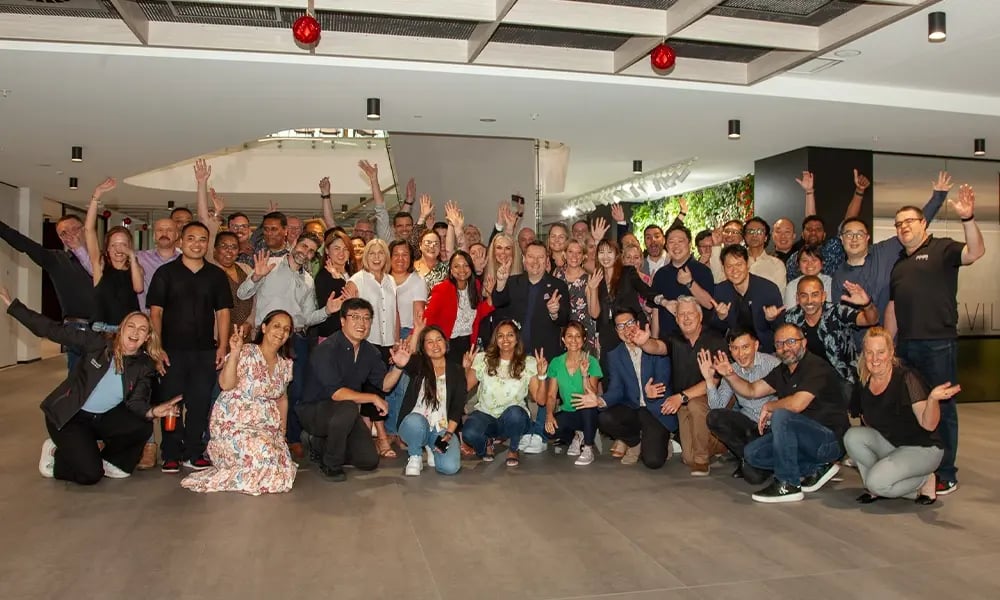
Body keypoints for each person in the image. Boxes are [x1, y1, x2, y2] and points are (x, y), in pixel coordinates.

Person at [2, 287, 179, 485]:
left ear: (147, 338)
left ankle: (109, 461)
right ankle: (56, 456)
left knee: (141, 425)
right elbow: (53, 330)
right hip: (69, 417)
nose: (135, 332)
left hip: (100, 419)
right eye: (131, 326)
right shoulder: (97, 344)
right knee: (90, 475)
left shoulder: (144, 366)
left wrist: (154, 411)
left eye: (142, 329)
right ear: (121, 329)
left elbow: (136, 403)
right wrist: (14, 306)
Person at [886, 185, 985, 496]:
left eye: (909, 222)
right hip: (906, 347)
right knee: (913, 407)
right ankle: (920, 464)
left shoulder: (943, 249)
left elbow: (976, 252)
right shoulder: (899, 264)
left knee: (944, 409)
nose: (903, 228)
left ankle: (946, 472)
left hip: (938, 343)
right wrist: (888, 344)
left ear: (923, 224)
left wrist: (968, 218)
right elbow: (893, 307)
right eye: (899, 224)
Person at [237, 232, 348, 457]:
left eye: (310, 251)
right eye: (303, 246)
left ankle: (291, 437)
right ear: (294, 243)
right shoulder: (269, 265)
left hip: (295, 339)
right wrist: (256, 277)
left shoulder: (307, 280)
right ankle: (258, 436)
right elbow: (242, 293)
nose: (304, 252)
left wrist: (328, 311)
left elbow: (307, 317)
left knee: (295, 391)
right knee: (260, 389)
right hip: (266, 337)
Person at [715, 323, 849, 503]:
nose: (786, 348)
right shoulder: (783, 370)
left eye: (791, 341)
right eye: (779, 344)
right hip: (802, 440)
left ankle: (788, 484)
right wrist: (730, 374)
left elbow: (796, 404)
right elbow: (752, 390)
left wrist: (770, 406)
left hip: (828, 440)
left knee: (781, 414)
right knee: (753, 453)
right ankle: (816, 468)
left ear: (804, 342)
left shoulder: (815, 367)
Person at [147, 221, 233, 473]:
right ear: (181, 242)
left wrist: (222, 347)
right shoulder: (165, 273)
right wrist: (157, 347)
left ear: (208, 244)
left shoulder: (216, 275)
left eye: (202, 239)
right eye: (191, 238)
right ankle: (171, 452)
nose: (197, 244)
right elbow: (156, 313)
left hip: (205, 351)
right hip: (171, 352)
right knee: (172, 403)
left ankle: (194, 451)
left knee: (200, 402)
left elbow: (223, 313)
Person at [181, 312, 297, 495]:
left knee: (279, 465)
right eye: (276, 326)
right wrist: (234, 352)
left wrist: (282, 431)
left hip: (266, 428)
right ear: (264, 328)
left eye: (286, 329)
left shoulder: (286, 364)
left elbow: (282, 398)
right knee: (265, 456)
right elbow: (225, 384)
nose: (281, 332)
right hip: (234, 424)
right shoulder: (246, 351)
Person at [297, 298, 410, 482]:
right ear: (342, 321)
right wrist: (372, 398)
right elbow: (336, 393)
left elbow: (385, 385)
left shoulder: (370, 352)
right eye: (355, 317)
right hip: (314, 411)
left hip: (345, 415)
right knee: (348, 406)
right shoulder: (327, 349)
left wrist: (398, 367)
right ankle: (331, 464)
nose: (361, 323)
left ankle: (318, 443)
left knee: (368, 460)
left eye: (366, 318)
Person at [832, 172, 949, 343]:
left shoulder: (886, 251)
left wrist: (938, 197)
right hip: (861, 349)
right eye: (849, 234)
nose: (854, 238)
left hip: (897, 343)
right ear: (841, 240)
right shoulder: (839, 276)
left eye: (859, 234)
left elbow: (913, 228)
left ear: (867, 238)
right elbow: (841, 317)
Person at [845, 328, 956, 505]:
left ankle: (924, 481)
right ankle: (877, 485)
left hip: (923, 449)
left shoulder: (907, 378)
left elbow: (929, 425)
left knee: (877, 483)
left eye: (880, 352)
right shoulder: (863, 381)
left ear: (891, 352)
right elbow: (866, 420)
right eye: (869, 353)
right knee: (852, 436)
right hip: (894, 445)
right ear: (863, 354)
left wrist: (932, 400)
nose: (874, 359)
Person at [492, 241, 570, 454]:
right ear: (524, 260)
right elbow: (498, 302)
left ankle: (540, 433)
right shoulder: (513, 282)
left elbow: (564, 318)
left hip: (545, 351)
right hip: (517, 350)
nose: (535, 262)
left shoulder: (557, 285)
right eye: (531, 257)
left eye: (540, 258)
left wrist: (554, 311)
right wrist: (500, 282)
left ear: (547, 261)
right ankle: (526, 431)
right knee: (519, 394)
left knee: (543, 395)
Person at [636, 296, 727, 475]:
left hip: (713, 397)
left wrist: (682, 396)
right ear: (676, 319)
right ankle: (722, 444)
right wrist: (645, 342)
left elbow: (715, 380)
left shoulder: (714, 338)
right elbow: (658, 347)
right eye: (681, 314)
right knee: (688, 458)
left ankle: (702, 462)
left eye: (690, 313)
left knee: (695, 406)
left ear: (700, 316)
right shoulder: (674, 338)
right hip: (683, 403)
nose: (686, 318)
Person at [576, 309, 676, 468]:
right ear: (616, 331)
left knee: (653, 461)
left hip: (656, 410)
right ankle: (634, 443)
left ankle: (663, 438)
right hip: (633, 408)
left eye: (629, 323)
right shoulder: (615, 355)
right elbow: (617, 389)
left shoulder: (654, 345)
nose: (626, 329)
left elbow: (663, 377)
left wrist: (651, 392)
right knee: (604, 417)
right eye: (620, 326)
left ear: (638, 324)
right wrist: (600, 400)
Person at [1, 213, 95, 371]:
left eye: (74, 229)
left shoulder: (103, 259)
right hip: (76, 330)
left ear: (85, 230)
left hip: (106, 329)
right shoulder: (56, 260)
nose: (70, 235)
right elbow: (23, 244)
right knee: (78, 382)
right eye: (63, 233)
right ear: (60, 238)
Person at [779, 275, 879, 400]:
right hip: (807, 377)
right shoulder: (791, 318)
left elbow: (871, 320)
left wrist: (867, 304)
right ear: (797, 298)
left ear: (823, 296)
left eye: (815, 294)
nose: (809, 301)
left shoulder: (837, 312)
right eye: (804, 295)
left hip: (841, 376)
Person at [462, 320, 546, 467]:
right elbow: (465, 388)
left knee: (515, 414)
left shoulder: (529, 362)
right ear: (496, 339)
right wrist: (467, 368)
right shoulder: (483, 359)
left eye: (510, 335)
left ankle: (513, 449)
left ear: (517, 338)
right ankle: (487, 444)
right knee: (469, 433)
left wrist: (541, 376)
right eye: (500, 336)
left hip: (513, 418)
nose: (505, 339)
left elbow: (541, 401)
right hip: (485, 415)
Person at [700, 328, 780, 483]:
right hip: (749, 426)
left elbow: (788, 400)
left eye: (745, 347)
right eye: (735, 348)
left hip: (771, 427)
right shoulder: (732, 369)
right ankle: (746, 457)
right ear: (729, 349)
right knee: (714, 418)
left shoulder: (773, 365)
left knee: (753, 477)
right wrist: (709, 380)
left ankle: (762, 460)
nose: (740, 354)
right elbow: (718, 407)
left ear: (756, 345)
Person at [397, 325, 467, 476]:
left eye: (439, 340)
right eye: (429, 342)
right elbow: (408, 362)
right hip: (414, 424)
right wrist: (402, 362)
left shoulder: (457, 371)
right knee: (416, 422)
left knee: (450, 467)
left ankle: (431, 445)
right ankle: (415, 455)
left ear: (446, 343)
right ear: (423, 347)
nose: (435, 345)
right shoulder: (419, 364)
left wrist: (448, 434)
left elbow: (457, 407)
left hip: (441, 428)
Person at [785, 169, 867, 279]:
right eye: (809, 230)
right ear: (803, 234)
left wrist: (859, 191)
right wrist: (809, 192)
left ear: (824, 235)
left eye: (818, 229)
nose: (813, 232)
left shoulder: (834, 248)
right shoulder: (793, 260)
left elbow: (849, 223)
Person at [83, 178, 143, 329]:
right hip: (103, 328)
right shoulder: (100, 265)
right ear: (107, 248)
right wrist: (96, 196)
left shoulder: (135, 268)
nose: (119, 249)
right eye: (114, 245)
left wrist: (132, 257)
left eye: (123, 245)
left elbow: (138, 288)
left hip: (129, 329)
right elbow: (89, 230)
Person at [384, 239, 427, 438]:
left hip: (407, 335)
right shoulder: (382, 279)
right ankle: (383, 429)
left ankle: (397, 430)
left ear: (411, 259)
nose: (400, 259)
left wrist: (410, 341)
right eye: (396, 254)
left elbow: (419, 317)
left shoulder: (416, 281)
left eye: (405, 255)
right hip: (381, 335)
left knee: (401, 385)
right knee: (384, 384)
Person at [543, 322, 602, 466]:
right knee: (549, 431)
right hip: (568, 411)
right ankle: (578, 435)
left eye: (578, 336)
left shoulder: (592, 361)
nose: (573, 340)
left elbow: (592, 395)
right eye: (569, 336)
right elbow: (551, 395)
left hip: (588, 412)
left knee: (588, 403)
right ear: (563, 339)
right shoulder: (556, 362)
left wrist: (584, 375)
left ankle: (588, 447)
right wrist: (549, 415)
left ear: (583, 340)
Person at [711, 244, 783, 353]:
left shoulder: (768, 289)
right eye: (729, 266)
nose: (734, 270)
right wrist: (721, 317)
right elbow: (715, 330)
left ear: (747, 264)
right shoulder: (721, 290)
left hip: (766, 350)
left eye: (739, 264)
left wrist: (772, 319)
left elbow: (781, 328)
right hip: (735, 351)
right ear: (723, 268)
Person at [424, 250, 493, 361]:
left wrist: (490, 295)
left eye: (466, 265)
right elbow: (427, 318)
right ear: (451, 270)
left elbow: (478, 313)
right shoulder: (442, 289)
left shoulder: (475, 285)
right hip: (447, 345)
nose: (462, 270)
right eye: (457, 266)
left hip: (468, 343)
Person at [651, 225, 715, 339]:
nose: (676, 246)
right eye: (671, 242)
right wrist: (654, 340)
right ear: (666, 246)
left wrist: (689, 283)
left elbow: (709, 304)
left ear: (689, 244)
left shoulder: (703, 270)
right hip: (667, 342)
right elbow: (656, 311)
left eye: (680, 241)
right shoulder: (660, 274)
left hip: (696, 341)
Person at [554, 239, 597, 353]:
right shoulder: (557, 273)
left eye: (579, 253)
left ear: (584, 256)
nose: (574, 256)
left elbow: (594, 314)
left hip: (582, 332)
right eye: (570, 252)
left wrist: (593, 289)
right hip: (561, 330)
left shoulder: (588, 279)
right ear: (564, 254)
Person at [313, 230, 355, 344]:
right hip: (331, 338)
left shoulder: (354, 274)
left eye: (345, 249)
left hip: (353, 336)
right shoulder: (323, 277)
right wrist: (339, 281)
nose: (341, 253)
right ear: (327, 250)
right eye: (336, 248)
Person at [135, 218, 180, 312]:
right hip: (146, 321)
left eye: (169, 230)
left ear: (176, 235)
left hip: (177, 321)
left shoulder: (185, 261)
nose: (164, 234)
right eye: (160, 230)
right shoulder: (139, 258)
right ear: (154, 236)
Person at [783, 245, 832, 309]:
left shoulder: (830, 283)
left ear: (822, 263)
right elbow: (790, 313)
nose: (810, 264)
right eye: (804, 261)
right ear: (798, 265)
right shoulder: (792, 286)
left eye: (814, 260)